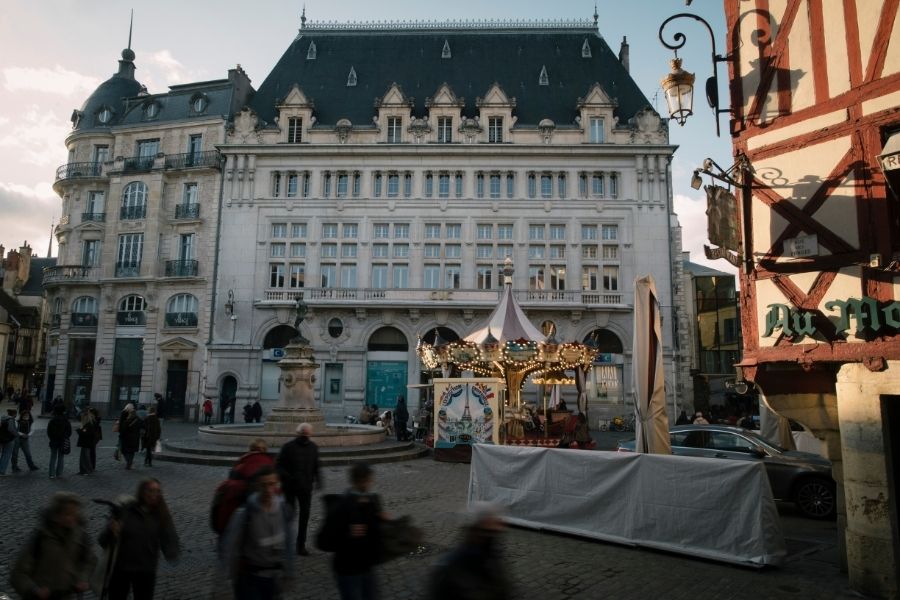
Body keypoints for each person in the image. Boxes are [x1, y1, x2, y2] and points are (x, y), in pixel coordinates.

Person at [100, 478, 180, 600]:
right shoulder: (126, 510)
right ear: (142, 492)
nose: (155, 494)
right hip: (121, 569)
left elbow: (169, 536)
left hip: (146, 570)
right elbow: (103, 540)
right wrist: (112, 531)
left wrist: (172, 552)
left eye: (158, 491)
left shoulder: (161, 514)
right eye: (151, 490)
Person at [221, 466, 294, 600]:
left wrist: (289, 571)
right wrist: (223, 584)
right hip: (250, 579)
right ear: (257, 486)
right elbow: (230, 547)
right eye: (263, 485)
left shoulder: (283, 510)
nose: (267, 490)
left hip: (274, 579)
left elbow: (289, 542)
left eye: (271, 484)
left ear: (277, 484)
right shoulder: (245, 513)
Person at [10, 492, 96, 599]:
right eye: (67, 514)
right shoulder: (41, 538)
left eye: (74, 513)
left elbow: (89, 561)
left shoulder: (80, 536)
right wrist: (35, 589)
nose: (72, 518)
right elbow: (18, 574)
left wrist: (82, 579)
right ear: (56, 515)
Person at [427, 502, 511, 600]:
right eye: (488, 531)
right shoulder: (450, 567)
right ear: (474, 530)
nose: (492, 537)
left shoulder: (489, 557)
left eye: (495, 532)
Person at [330, 462, 384, 600]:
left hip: (367, 567)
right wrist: (348, 533)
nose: (371, 483)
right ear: (361, 481)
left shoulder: (373, 501)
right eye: (369, 480)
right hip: (348, 570)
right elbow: (324, 541)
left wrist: (381, 520)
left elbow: (375, 533)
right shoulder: (342, 505)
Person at [276, 422, 321, 556]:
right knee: (289, 515)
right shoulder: (288, 447)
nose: (305, 436)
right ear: (299, 433)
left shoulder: (313, 447)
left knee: (304, 516)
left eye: (307, 434)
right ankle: (287, 541)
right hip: (290, 487)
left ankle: (300, 544)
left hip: (305, 487)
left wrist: (318, 480)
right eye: (303, 434)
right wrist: (288, 477)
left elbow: (316, 465)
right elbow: (278, 466)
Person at [47, 403, 72, 479]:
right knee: (61, 457)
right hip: (62, 441)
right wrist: (65, 437)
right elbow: (69, 432)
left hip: (54, 441)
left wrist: (52, 438)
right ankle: (59, 473)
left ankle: (51, 474)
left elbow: (49, 432)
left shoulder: (52, 420)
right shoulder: (66, 421)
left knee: (53, 457)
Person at [12, 406, 40, 472]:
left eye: (27, 415)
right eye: (25, 415)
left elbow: (32, 430)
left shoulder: (31, 422)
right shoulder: (17, 421)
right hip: (17, 439)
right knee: (15, 454)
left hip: (25, 439)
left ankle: (31, 465)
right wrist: (22, 434)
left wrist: (28, 435)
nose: (26, 416)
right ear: (22, 416)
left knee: (28, 453)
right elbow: (15, 430)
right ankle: (14, 467)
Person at [118, 404, 142, 470]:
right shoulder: (138, 419)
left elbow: (122, 428)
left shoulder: (126, 421)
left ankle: (129, 462)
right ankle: (129, 463)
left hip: (127, 437)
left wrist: (121, 434)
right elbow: (141, 425)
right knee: (132, 451)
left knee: (124, 450)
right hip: (135, 437)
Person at [76, 409, 100, 475]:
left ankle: (88, 470)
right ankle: (84, 470)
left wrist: (79, 430)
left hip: (86, 443)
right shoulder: (89, 424)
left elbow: (85, 433)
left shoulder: (89, 425)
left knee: (86, 457)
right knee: (84, 457)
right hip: (86, 443)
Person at [0, 408, 18, 475]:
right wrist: (17, 434)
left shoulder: (3, 418)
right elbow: (11, 429)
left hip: (2, 438)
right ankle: (2, 471)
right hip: (9, 439)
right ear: (14, 414)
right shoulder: (11, 419)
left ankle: (1, 469)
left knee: (3, 454)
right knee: (6, 455)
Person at [89, 407, 103, 471]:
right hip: (95, 436)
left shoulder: (95, 419)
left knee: (91, 451)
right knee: (92, 450)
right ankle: (92, 465)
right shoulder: (95, 419)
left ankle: (91, 465)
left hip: (93, 436)